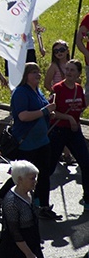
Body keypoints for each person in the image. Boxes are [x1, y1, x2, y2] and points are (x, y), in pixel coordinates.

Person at [0, 63, 60, 220]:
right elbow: (23, 116)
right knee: (22, 176)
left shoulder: (37, 91)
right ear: (25, 76)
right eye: (33, 72)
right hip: (26, 143)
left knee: (43, 175)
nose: (37, 75)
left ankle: (42, 206)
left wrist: (48, 113)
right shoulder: (20, 93)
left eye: (38, 72)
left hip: (42, 141)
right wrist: (45, 111)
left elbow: (42, 111)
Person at [49, 59, 89, 208]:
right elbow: (52, 111)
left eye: (72, 70)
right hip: (59, 130)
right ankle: (39, 198)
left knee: (86, 163)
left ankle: (87, 198)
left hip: (74, 131)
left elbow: (80, 107)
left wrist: (75, 119)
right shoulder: (58, 88)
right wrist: (69, 117)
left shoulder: (79, 89)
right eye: (67, 69)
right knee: (50, 166)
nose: (69, 73)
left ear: (79, 73)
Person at [0, 160, 44, 258]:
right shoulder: (11, 202)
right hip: (15, 250)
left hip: (32, 243)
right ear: (20, 179)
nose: (35, 181)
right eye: (32, 178)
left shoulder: (30, 193)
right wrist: (28, 253)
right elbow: (14, 232)